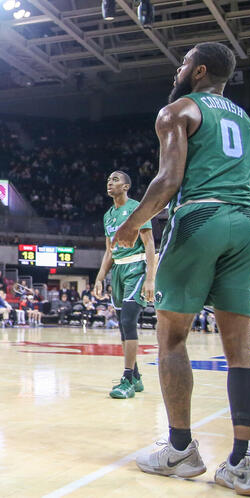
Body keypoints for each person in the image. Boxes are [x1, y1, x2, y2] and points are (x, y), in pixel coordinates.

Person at [114, 43, 250, 493]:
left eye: (182, 63)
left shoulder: (178, 110)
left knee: (172, 336)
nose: (177, 70)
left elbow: (168, 181)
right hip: (247, 226)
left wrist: (131, 224)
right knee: (240, 349)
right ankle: (241, 465)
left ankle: (180, 450)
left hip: (201, 216)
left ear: (199, 71)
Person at [93, 170, 158, 399]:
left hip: (137, 268)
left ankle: (127, 379)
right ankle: (137, 377)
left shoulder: (137, 209)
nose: (110, 182)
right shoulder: (108, 216)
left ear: (126, 186)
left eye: (115, 179)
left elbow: (150, 245)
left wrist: (150, 278)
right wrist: (100, 277)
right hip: (118, 271)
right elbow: (109, 251)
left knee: (128, 320)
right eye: (108, 179)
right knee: (123, 325)